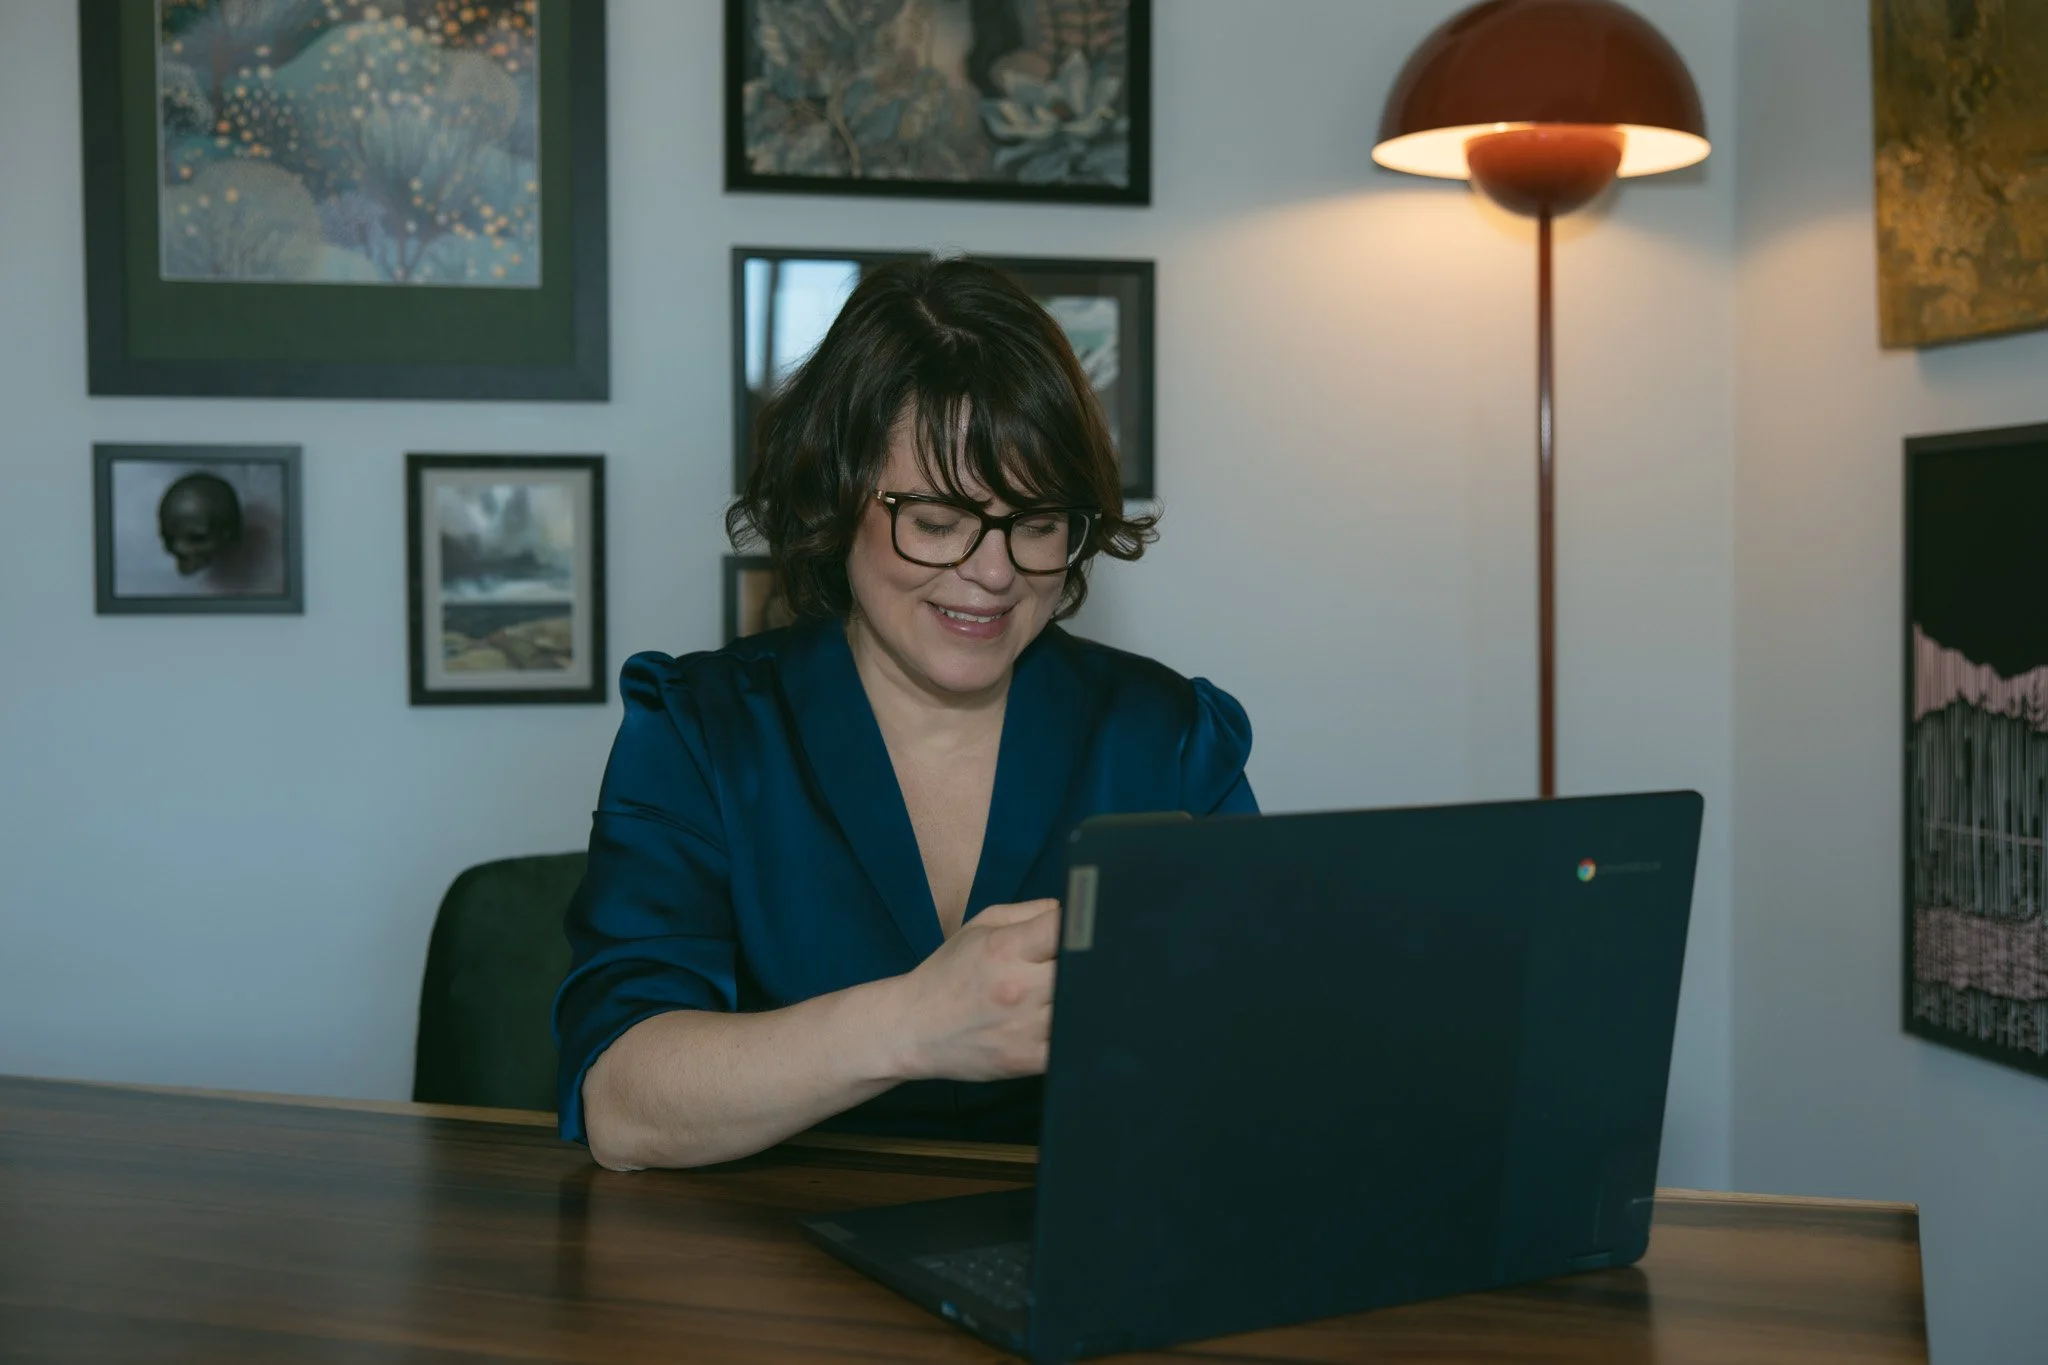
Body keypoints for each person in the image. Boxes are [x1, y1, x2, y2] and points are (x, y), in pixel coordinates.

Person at [554, 256, 1256, 1171]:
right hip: (766, 1280)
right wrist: (917, 1021)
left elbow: (1249, 1063)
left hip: (1072, 1267)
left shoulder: (1164, 737)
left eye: (1037, 522)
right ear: (836, 498)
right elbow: (621, 1098)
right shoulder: (702, 730)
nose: (995, 571)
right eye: (937, 518)